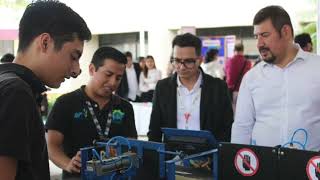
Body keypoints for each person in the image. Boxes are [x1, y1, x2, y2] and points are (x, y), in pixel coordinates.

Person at [0, 1, 91, 179]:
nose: (76, 70)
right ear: (45, 42)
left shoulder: (8, 84)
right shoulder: (16, 93)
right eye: (73, 57)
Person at [231, 5, 320, 151]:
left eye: (265, 35)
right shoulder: (252, 78)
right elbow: (242, 127)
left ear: (285, 32)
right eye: (256, 37)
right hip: (262, 169)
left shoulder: (317, 68)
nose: (259, 44)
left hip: (311, 169)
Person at [46, 46, 138, 179]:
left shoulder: (125, 107)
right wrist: (68, 164)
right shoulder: (66, 103)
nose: (113, 82)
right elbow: (52, 146)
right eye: (108, 74)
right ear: (92, 69)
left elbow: (131, 145)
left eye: (118, 78)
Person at [148, 33, 233, 143]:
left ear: (200, 60)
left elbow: (227, 128)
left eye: (188, 61)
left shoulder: (218, 88)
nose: (182, 67)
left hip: (209, 156)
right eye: (177, 61)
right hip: (172, 156)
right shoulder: (162, 88)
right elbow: (154, 130)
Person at [225, 43, 251, 110]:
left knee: (231, 112)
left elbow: (227, 75)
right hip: (243, 90)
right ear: (243, 50)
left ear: (234, 50)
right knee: (242, 111)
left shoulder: (229, 61)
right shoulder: (248, 62)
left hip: (231, 91)